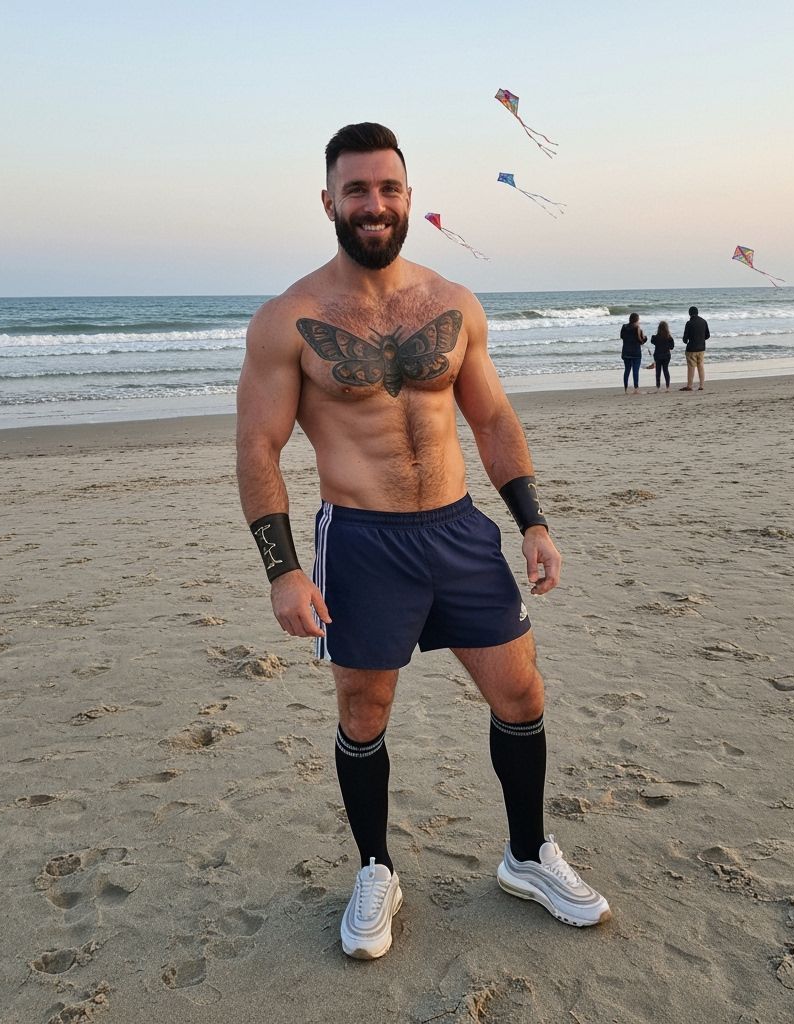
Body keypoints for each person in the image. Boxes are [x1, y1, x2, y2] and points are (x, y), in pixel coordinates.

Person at [235, 123, 611, 961]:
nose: (374, 205)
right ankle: (375, 868)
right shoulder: (289, 319)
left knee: (521, 694)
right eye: (357, 190)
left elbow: (491, 418)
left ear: (409, 197)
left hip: (458, 529)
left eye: (389, 189)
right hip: (361, 540)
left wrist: (533, 522)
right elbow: (258, 447)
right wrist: (283, 571)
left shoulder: (453, 303)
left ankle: (526, 855)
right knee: (364, 711)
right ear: (328, 200)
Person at [680, 306, 709, 391]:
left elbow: (685, 339)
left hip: (691, 349)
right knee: (701, 366)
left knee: (691, 367)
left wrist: (686, 341)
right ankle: (701, 385)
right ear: (697, 313)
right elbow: (707, 335)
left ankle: (689, 386)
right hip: (701, 348)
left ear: (689, 314)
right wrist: (701, 339)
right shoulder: (704, 322)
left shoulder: (689, 323)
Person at [619, 313, 645, 394]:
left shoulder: (624, 327)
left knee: (627, 370)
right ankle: (636, 389)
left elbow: (622, 336)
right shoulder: (637, 328)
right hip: (636, 352)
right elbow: (641, 341)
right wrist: (645, 337)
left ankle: (626, 389)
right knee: (635, 371)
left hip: (626, 352)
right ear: (637, 320)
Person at [650, 320, 675, 391]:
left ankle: (658, 387)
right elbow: (672, 347)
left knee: (658, 371)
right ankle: (667, 387)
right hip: (666, 355)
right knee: (665, 370)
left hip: (657, 355)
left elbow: (652, 341)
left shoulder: (655, 337)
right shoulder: (669, 338)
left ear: (659, 328)